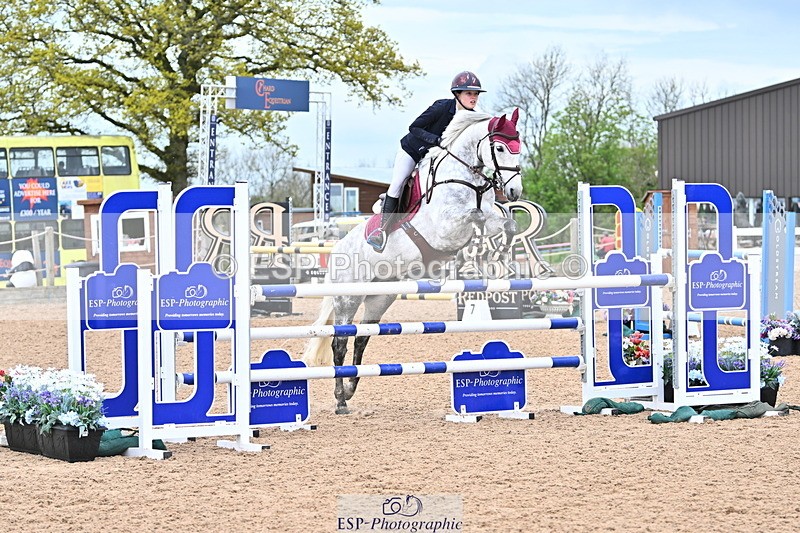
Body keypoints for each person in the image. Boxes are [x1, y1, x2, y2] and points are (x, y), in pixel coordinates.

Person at [367, 71, 486, 252]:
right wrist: (435, 140)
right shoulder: (442, 107)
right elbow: (414, 127)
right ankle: (381, 231)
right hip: (414, 151)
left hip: (436, 157)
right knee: (398, 184)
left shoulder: (472, 118)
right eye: (469, 93)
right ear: (457, 94)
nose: (473, 97)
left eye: (476, 94)